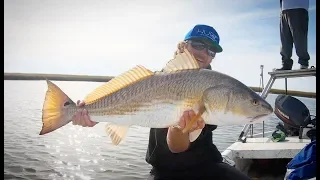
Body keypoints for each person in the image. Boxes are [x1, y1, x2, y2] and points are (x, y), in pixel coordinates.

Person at [72, 24, 251, 180]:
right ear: (184, 46)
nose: (203, 53)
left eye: (211, 51)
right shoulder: (156, 79)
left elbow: (180, 147)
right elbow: (175, 147)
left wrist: (181, 126)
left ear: (212, 57)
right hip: (163, 172)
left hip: (207, 166)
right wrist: (91, 109)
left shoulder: (217, 88)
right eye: (198, 44)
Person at [277, 0, 310, 70]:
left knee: (299, 38)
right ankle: (286, 63)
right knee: (285, 40)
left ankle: (303, 62)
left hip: (298, 7)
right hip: (284, 9)